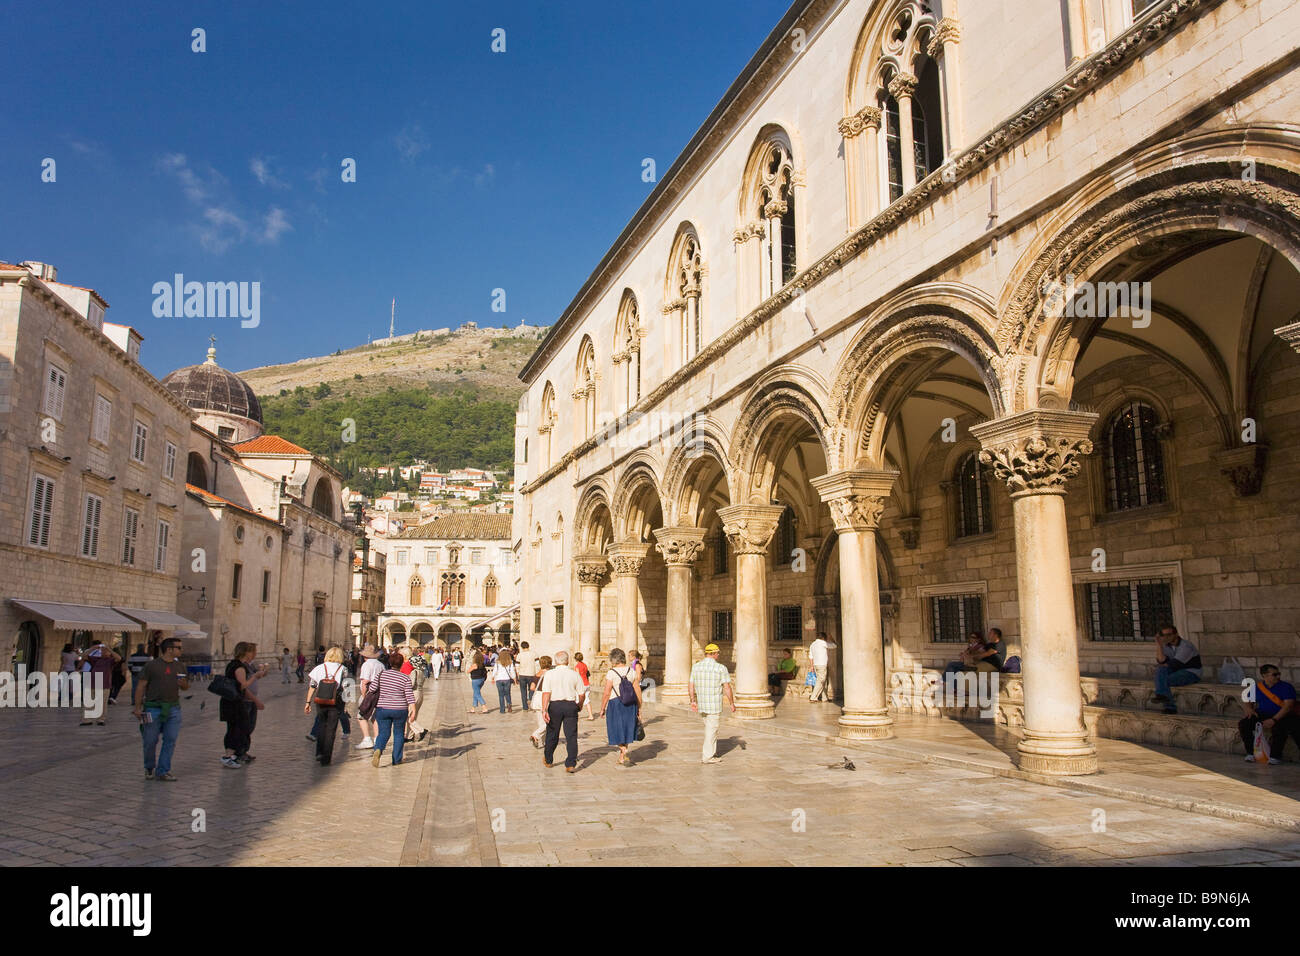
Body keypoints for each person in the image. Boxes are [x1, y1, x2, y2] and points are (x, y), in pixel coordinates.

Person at [133, 636, 190, 781]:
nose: (181, 650)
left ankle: (163, 770)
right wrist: (137, 707)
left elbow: (185, 688)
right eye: (179, 647)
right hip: (152, 708)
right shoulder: (152, 665)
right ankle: (149, 767)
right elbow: (141, 686)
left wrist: (183, 684)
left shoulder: (180, 666)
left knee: (170, 739)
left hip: (173, 708)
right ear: (169, 649)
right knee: (150, 740)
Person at [1239, 664, 1299, 764]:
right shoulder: (1257, 687)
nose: (1278, 677)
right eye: (1274, 675)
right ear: (1264, 676)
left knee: (1280, 727)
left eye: (1278, 674)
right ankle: (1251, 753)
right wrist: (1249, 708)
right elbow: (1248, 699)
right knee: (1244, 724)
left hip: (1281, 714)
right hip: (1263, 713)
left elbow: (1288, 706)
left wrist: (1274, 720)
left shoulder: (1286, 687)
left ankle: (1275, 756)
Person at [540, 650, 587, 772]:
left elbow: (546, 693)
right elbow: (582, 694)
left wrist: (544, 710)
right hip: (570, 705)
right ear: (567, 661)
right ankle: (570, 764)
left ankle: (548, 759)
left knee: (552, 734)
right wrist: (580, 705)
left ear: (555, 661)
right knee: (571, 736)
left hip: (555, 706)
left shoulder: (549, 674)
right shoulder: (574, 674)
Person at [690, 643, 736, 764]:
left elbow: (691, 685)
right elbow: (727, 687)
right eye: (718, 653)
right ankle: (707, 757)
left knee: (710, 729)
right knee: (712, 730)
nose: (718, 655)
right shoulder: (720, 668)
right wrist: (732, 703)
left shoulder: (696, 667)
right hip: (714, 705)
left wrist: (692, 700)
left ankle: (712, 752)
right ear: (714, 653)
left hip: (702, 704)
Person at [220, 642, 263, 767]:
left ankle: (231, 755)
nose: (253, 655)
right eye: (251, 652)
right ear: (246, 652)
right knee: (237, 729)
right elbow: (242, 685)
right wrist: (255, 676)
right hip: (235, 703)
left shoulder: (232, 664)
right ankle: (228, 756)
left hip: (229, 701)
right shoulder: (239, 667)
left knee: (234, 728)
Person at [371, 652, 417, 767]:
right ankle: (396, 759)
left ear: (389, 663)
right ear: (401, 664)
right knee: (398, 734)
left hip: (383, 708)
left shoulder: (381, 675)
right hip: (400, 709)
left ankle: (378, 749)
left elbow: (372, 689)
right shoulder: (405, 678)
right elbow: (409, 696)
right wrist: (413, 710)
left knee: (383, 733)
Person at [305, 646, 350, 765]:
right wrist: (346, 705)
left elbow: (312, 685)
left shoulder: (319, 668)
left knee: (321, 725)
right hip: (335, 702)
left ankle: (319, 752)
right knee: (331, 729)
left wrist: (308, 702)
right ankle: (326, 757)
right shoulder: (343, 669)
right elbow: (347, 687)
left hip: (320, 701)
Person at [599, 648, 642, 767]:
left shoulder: (611, 673)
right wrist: (639, 706)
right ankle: (622, 757)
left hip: (615, 703)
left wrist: (602, 708)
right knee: (627, 728)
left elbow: (607, 692)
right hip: (630, 703)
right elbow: (637, 689)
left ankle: (623, 750)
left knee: (615, 728)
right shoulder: (631, 671)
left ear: (613, 660)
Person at [1151, 624, 1201, 714]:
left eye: (1169, 635)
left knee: (1163, 679)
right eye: (1163, 635)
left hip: (1191, 672)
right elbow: (1161, 661)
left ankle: (1167, 703)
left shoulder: (1186, 646)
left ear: (1176, 634)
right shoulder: (1167, 646)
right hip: (1176, 671)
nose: (1166, 637)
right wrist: (1159, 644)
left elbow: (1174, 664)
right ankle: (1164, 698)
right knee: (1160, 672)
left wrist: (1161, 667)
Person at [78, 640, 120, 726]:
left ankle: (101, 719)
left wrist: (109, 648)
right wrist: (92, 648)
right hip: (92, 683)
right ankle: (87, 720)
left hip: (104, 684)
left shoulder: (110, 661)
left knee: (102, 703)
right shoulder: (95, 659)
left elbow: (119, 658)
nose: (102, 652)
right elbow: (83, 656)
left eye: (105, 651)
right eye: (102, 650)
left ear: (109, 653)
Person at [355, 643, 385, 750]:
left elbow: (365, 682)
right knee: (375, 717)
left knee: (361, 716)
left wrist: (364, 697)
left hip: (369, 694)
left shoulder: (367, 665)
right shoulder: (381, 665)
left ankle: (367, 739)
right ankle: (377, 739)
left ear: (364, 656)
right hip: (379, 693)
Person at [529, 656, 553, 748]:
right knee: (549, 722)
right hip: (546, 697)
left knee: (541, 722)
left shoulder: (537, 674)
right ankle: (535, 735)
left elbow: (532, 687)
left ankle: (542, 742)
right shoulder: (550, 674)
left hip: (537, 698)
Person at [808, 632, 836, 703]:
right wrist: (831, 638)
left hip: (816, 665)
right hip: (822, 665)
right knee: (821, 681)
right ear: (823, 638)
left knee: (824, 681)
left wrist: (811, 666)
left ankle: (824, 698)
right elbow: (834, 645)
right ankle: (813, 697)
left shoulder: (813, 644)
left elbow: (810, 656)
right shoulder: (823, 643)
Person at [492, 649, 517, 714]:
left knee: (501, 695)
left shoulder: (497, 662)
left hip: (499, 679)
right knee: (508, 694)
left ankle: (502, 710)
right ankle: (509, 704)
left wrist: (493, 677)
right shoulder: (510, 662)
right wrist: (514, 679)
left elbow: (495, 670)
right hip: (507, 679)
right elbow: (512, 671)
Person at [573, 651, 596, 720]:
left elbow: (577, 676)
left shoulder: (577, 666)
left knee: (577, 699)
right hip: (586, 683)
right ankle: (591, 715)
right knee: (586, 700)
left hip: (581, 684)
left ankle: (575, 715)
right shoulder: (584, 665)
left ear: (575, 659)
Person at [516, 642, 538, 710]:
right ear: (528, 646)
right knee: (532, 689)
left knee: (523, 691)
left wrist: (518, 674)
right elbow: (537, 665)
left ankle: (525, 707)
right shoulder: (534, 654)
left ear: (522, 647)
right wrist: (537, 674)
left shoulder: (519, 655)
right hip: (531, 674)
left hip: (522, 675)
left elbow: (517, 666)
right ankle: (531, 702)